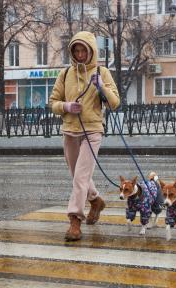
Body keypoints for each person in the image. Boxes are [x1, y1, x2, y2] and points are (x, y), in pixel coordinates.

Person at [49, 31, 120, 241]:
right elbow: (53, 103)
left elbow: (115, 103)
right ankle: (96, 200)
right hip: (70, 130)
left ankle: (74, 221)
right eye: (76, 50)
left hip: (92, 131)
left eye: (83, 50)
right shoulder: (65, 74)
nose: (80, 54)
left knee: (80, 177)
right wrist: (66, 106)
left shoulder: (102, 72)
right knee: (78, 176)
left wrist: (102, 87)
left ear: (91, 51)